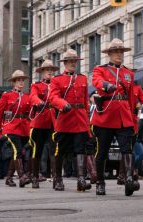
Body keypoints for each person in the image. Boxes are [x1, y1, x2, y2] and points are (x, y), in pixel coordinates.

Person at [91, 38, 139, 196]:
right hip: (105, 116)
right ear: (109, 54)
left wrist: (133, 118)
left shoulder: (128, 73)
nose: (119, 54)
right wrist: (106, 85)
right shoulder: (100, 69)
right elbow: (96, 81)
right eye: (116, 51)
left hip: (123, 116)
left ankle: (129, 179)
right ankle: (100, 182)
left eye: (121, 51)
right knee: (102, 151)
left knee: (127, 150)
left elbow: (132, 98)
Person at [49, 49, 92, 192]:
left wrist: (87, 120)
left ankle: (81, 179)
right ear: (65, 63)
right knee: (60, 150)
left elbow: (86, 102)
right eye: (70, 61)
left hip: (80, 118)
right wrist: (62, 104)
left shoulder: (82, 78)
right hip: (65, 118)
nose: (73, 63)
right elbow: (53, 98)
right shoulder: (57, 80)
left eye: (75, 61)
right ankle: (58, 179)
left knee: (81, 149)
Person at [0, 70, 32, 188]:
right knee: (18, 150)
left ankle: (9, 178)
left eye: (22, 80)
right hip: (11, 126)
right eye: (18, 80)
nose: (21, 82)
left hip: (24, 128)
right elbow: (0, 112)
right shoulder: (7, 95)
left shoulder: (27, 96)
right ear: (14, 82)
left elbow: (29, 113)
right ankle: (22, 177)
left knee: (16, 153)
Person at [116, 82, 143, 186]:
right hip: (124, 119)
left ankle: (128, 173)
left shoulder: (137, 87)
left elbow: (142, 100)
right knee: (127, 151)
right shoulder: (121, 86)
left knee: (132, 151)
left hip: (133, 122)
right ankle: (123, 175)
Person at [29, 59, 59, 189]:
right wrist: (38, 102)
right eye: (47, 70)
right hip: (40, 120)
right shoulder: (36, 85)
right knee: (38, 149)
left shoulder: (56, 85)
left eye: (51, 70)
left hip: (53, 121)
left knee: (54, 149)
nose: (50, 72)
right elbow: (32, 96)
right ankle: (35, 177)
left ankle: (56, 177)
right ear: (42, 72)